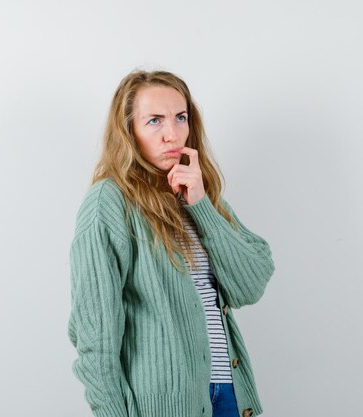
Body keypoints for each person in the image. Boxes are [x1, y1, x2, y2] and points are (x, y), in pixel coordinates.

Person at [67, 69, 275, 417]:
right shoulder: (109, 202)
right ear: (129, 131)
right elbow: (96, 339)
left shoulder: (197, 193)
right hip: (165, 405)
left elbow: (250, 285)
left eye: (181, 118)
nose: (172, 134)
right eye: (154, 121)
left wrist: (202, 207)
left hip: (229, 397)